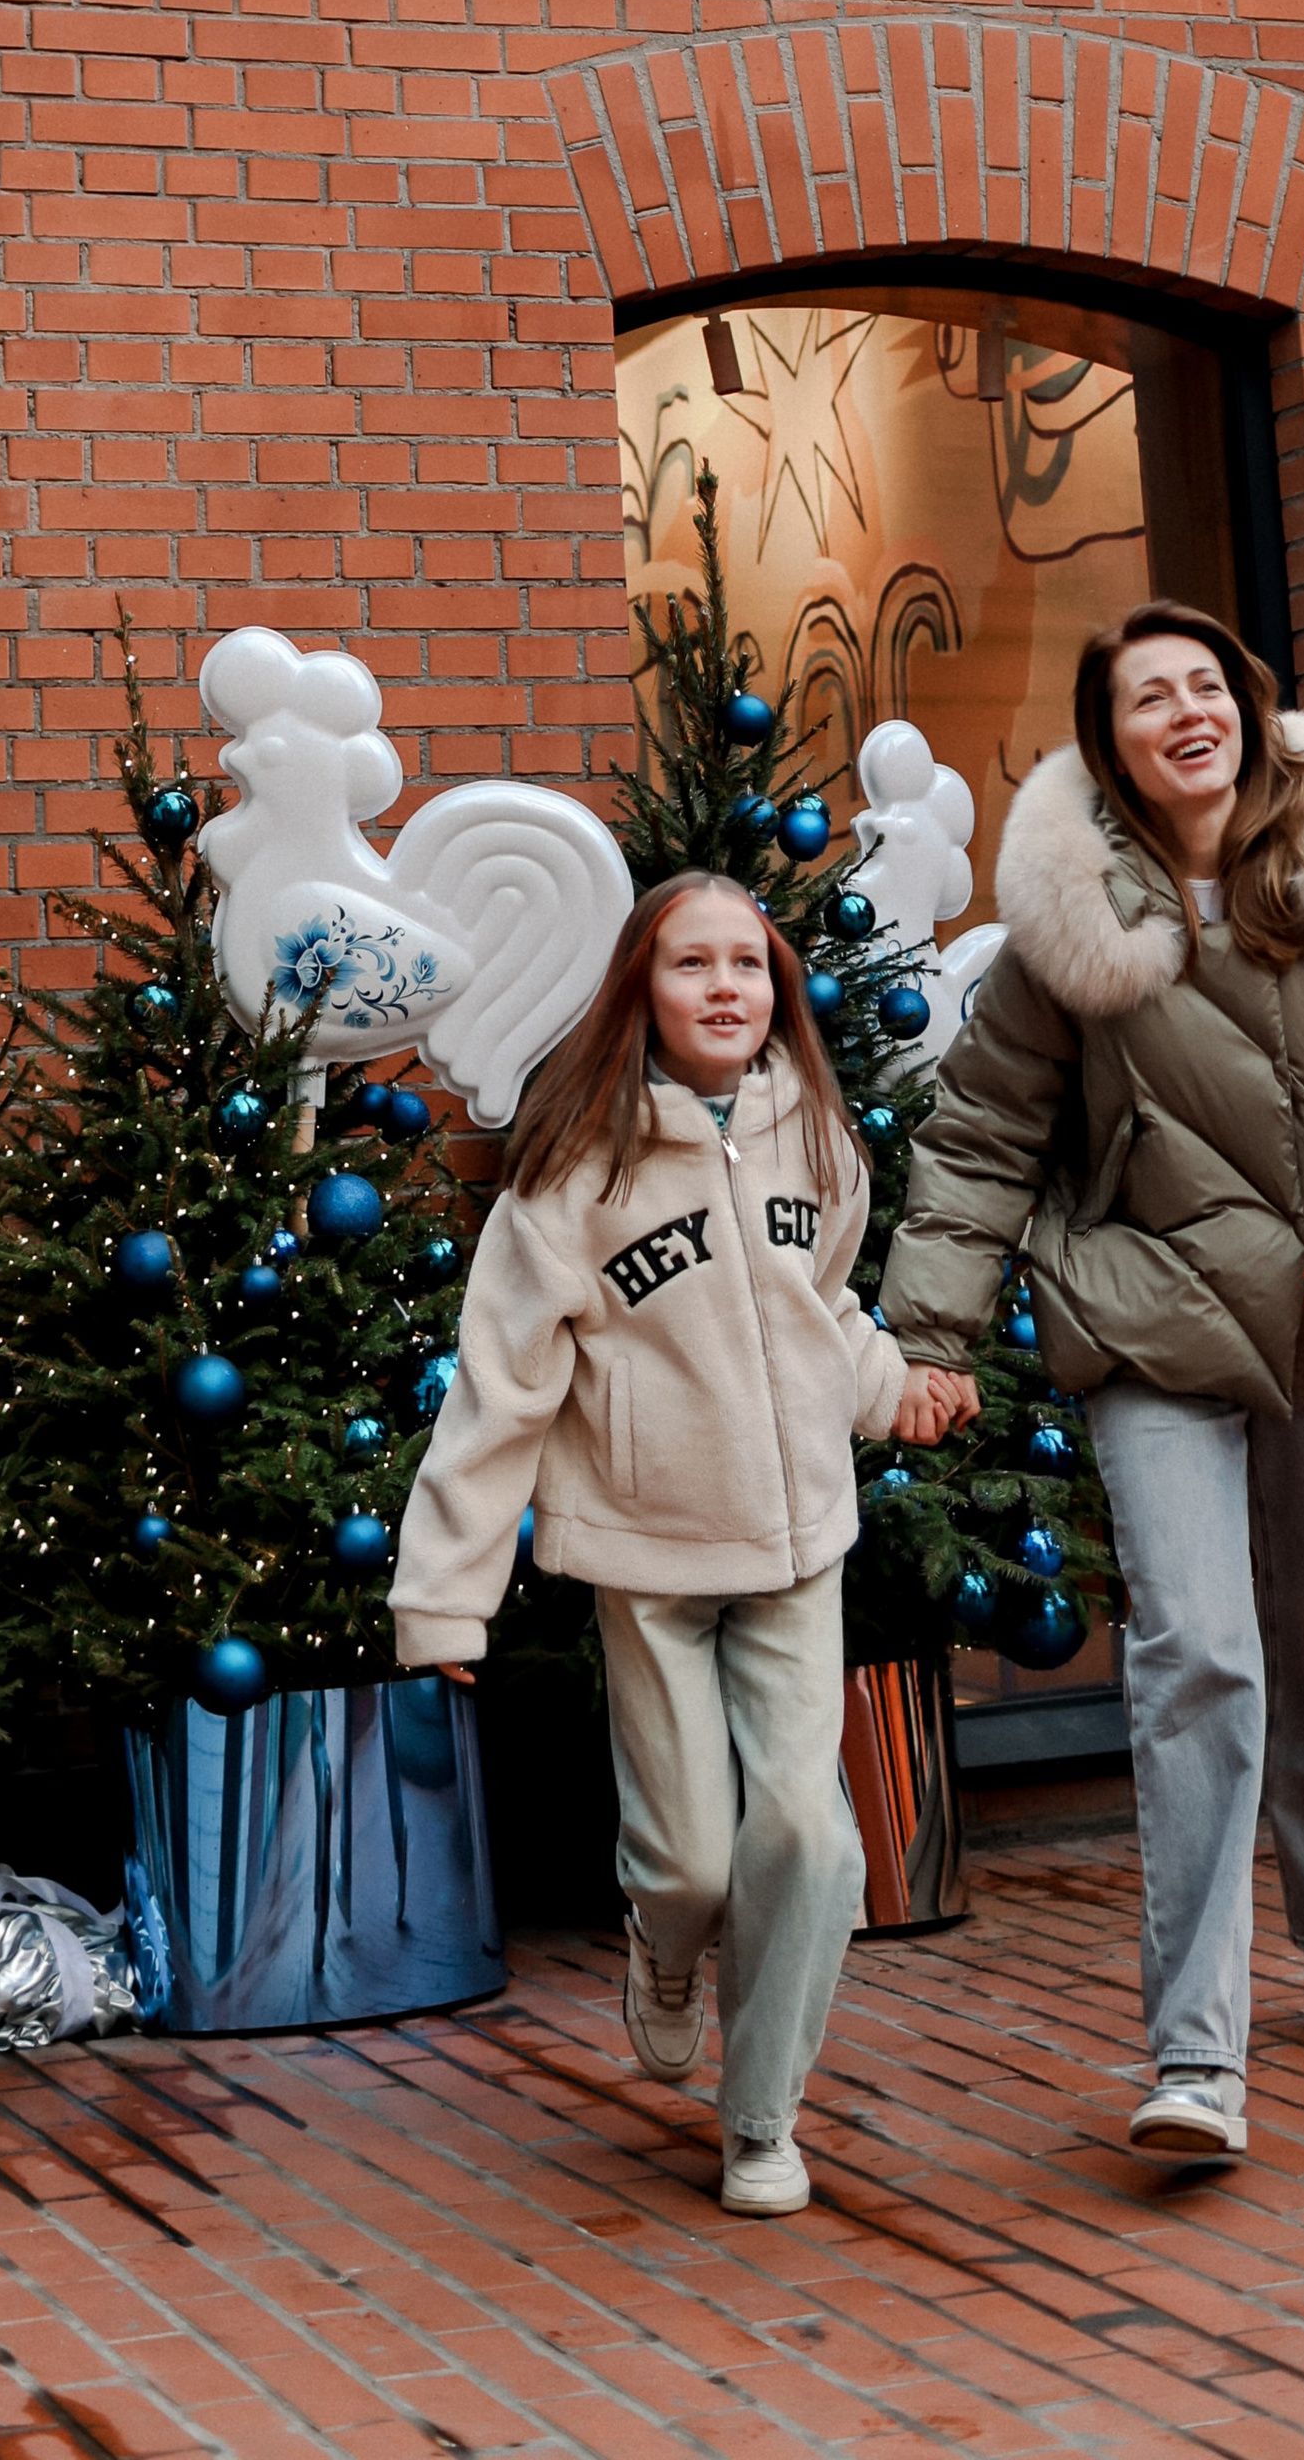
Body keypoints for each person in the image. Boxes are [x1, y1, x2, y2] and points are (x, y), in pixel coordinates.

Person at [879, 601, 1304, 2166]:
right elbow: (980, 1146)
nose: (1181, 711)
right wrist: (932, 1338)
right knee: (1198, 1657)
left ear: (1248, 708)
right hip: (1149, 1323)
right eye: (1145, 697)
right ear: (1113, 742)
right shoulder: (1065, 934)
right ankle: (1196, 2056)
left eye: (1202, 685)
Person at [389, 868, 936, 2217]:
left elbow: (825, 1317)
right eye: (693, 965)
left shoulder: (819, 1139)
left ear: (777, 989)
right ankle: (666, 1940)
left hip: (802, 1540)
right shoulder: (578, 1171)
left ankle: (762, 2120)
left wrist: (893, 1390)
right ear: (642, 986)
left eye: (747, 966)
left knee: (810, 1837)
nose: (725, 990)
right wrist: (448, 1601)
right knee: (692, 1858)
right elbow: (498, 1386)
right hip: (649, 1555)